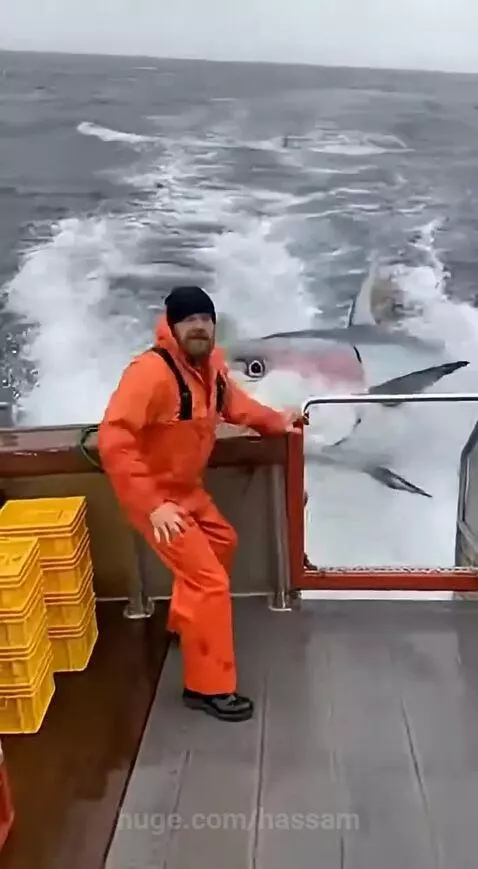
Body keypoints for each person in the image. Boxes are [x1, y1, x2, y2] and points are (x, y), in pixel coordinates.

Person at [97, 285, 304, 722]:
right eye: (189, 320)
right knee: (209, 580)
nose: (199, 327)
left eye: (205, 319)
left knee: (223, 541)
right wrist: (152, 504)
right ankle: (207, 687)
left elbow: (237, 407)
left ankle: (185, 625)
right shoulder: (149, 374)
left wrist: (279, 421)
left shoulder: (212, 367)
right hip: (154, 499)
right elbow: (114, 440)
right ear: (172, 326)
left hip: (187, 492)